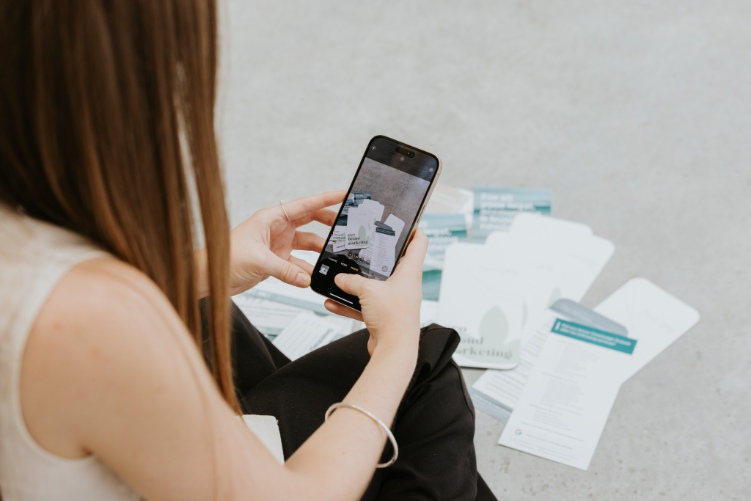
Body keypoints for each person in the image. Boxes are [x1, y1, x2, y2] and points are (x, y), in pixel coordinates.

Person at [0, 1, 496, 500]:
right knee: (430, 366)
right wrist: (396, 349)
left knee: (211, 312)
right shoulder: (94, 316)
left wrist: (205, 270)